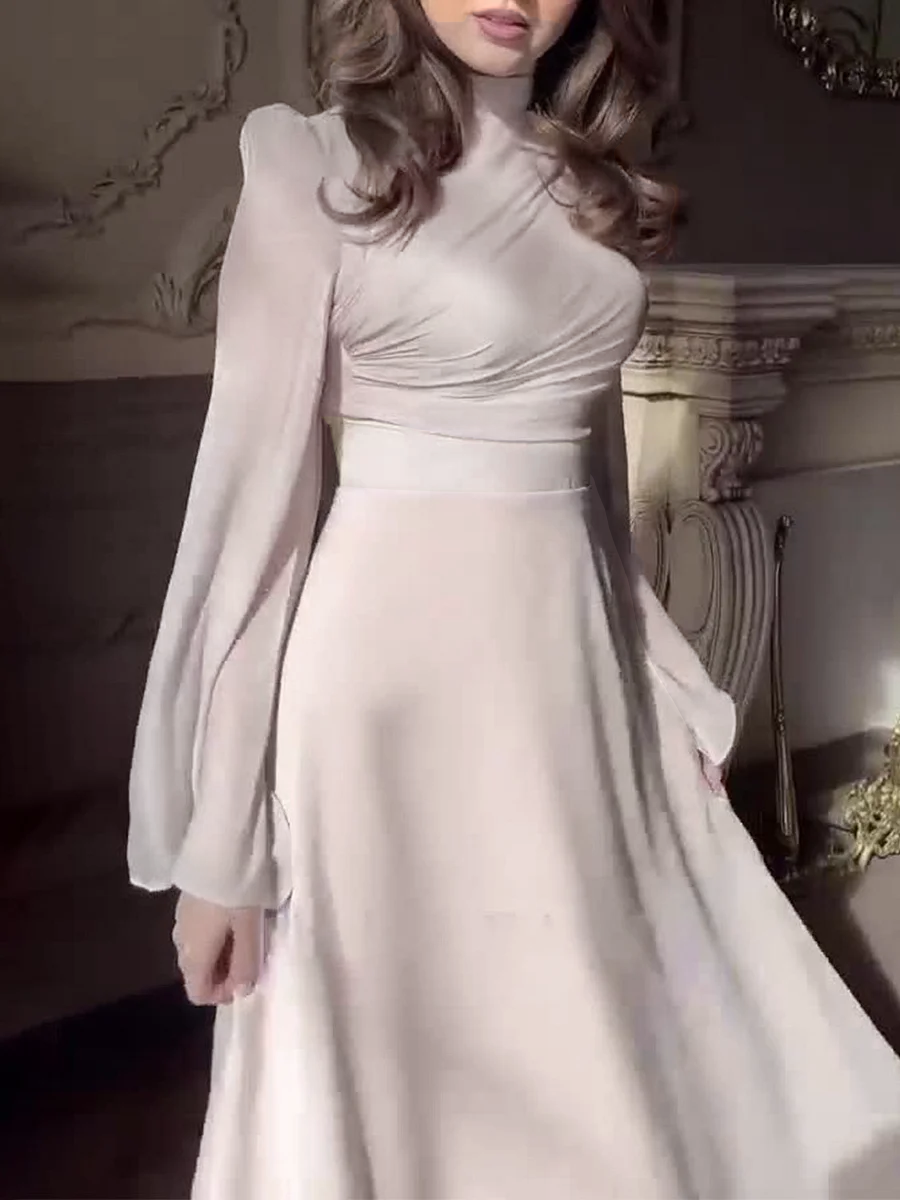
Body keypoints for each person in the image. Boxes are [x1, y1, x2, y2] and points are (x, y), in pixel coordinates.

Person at [127, 0, 900, 1195]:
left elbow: (593, 485)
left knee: (596, 1017)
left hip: (571, 671)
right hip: (388, 691)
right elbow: (253, 522)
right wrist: (221, 844)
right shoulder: (315, 168)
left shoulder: (595, 190)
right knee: (423, 1048)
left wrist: (659, 677)